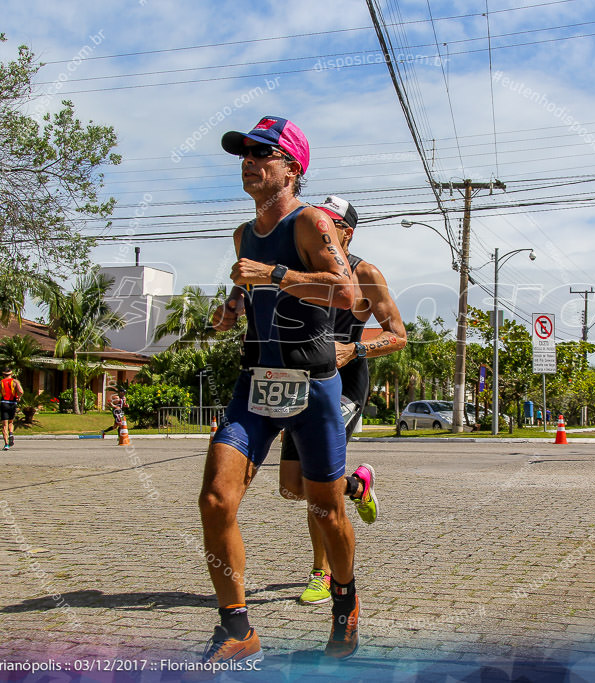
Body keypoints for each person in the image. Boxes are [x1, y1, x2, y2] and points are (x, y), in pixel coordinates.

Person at [202, 116, 358, 663]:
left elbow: (347, 293)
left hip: (312, 385)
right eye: (244, 154)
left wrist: (276, 277)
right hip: (257, 382)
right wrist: (230, 308)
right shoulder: (245, 234)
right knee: (217, 498)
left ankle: (345, 600)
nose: (249, 162)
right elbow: (244, 285)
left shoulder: (311, 223)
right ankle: (238, 629)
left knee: (326, 510)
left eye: (262, 153)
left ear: (292, 167)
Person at [277, 195, 407, 606]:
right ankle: (357, 484)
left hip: (345, 381)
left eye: (330, 223)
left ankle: (322, 572)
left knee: (317, 486)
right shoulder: (301, 268)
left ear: (346, 233)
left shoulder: (365, 273)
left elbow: (398, 335)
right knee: (291, 488)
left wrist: (356, 350)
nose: (321, 227)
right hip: (302, 379)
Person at [0, 368, 24, 451]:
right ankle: (11, 433)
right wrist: (18, 397)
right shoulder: (15, 382)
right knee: (11, 422)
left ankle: (6, 444)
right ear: (11, 374)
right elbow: (21, 392)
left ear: (3, 375)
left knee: (4, 425)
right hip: (13, 404)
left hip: (4, 403)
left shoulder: (0, 383)